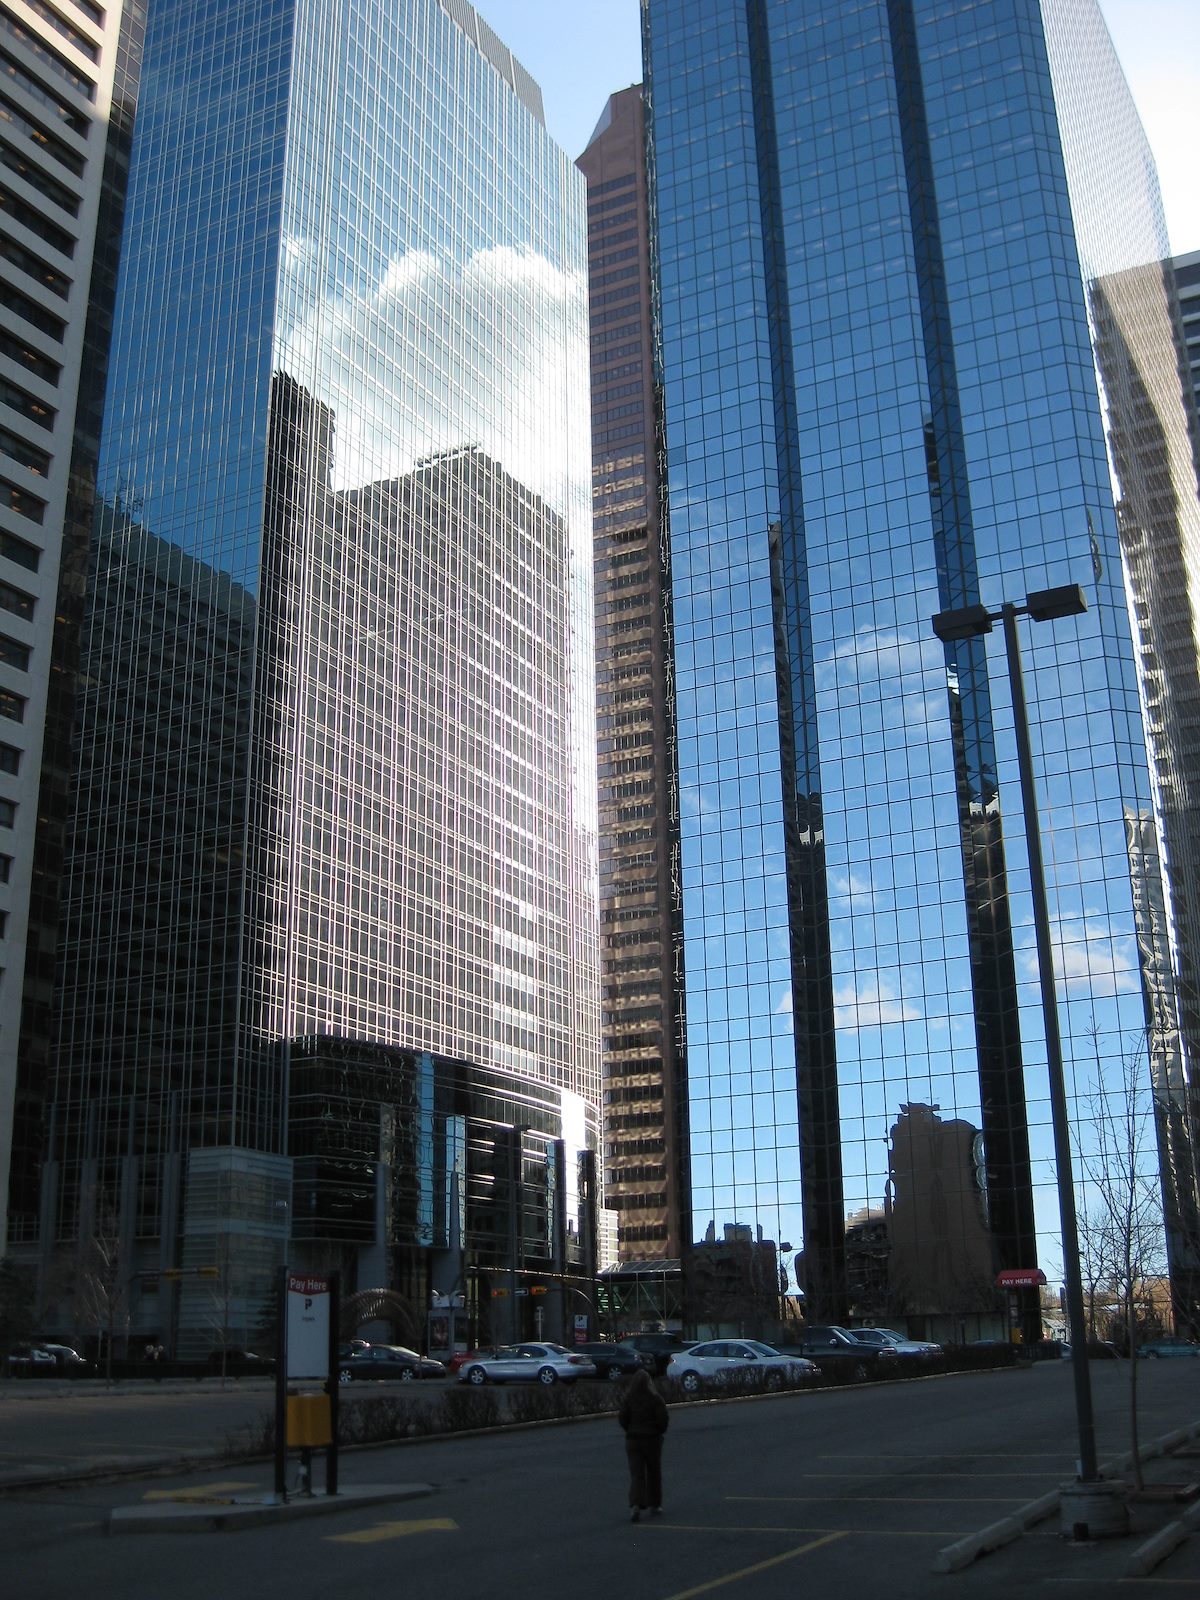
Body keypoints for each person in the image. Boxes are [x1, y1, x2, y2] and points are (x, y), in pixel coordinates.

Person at [618, 1366, 669, 1522]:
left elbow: (623, 1419)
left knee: (637, 1475)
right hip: (652, 1440)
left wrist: (630, 1430)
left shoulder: (628, 1399)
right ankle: (655, 1503)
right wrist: (658, 1431)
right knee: (654, 1472)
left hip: (633, 1440)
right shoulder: (655, 1399)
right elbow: (663, 1420)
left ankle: (635, 1504)